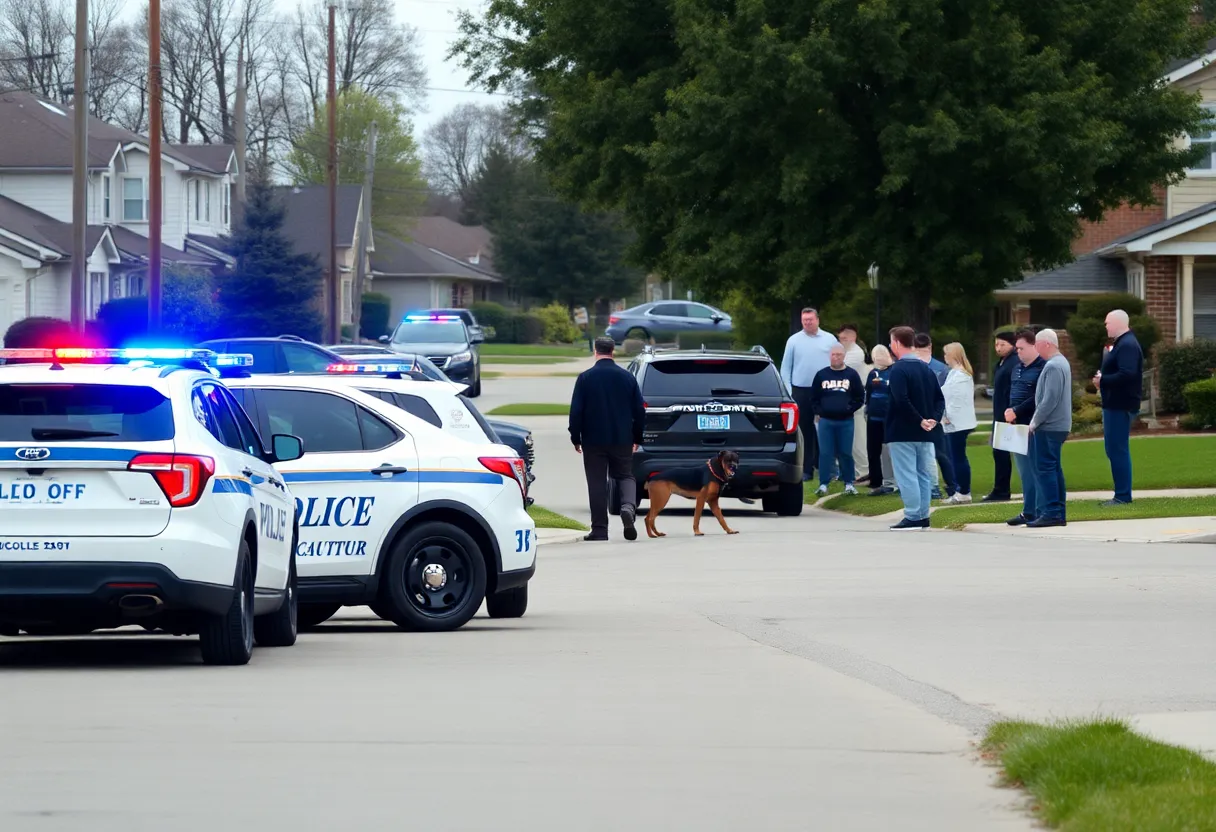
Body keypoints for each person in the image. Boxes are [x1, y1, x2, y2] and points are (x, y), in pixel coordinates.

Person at [569, 336, 647, 541]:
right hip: (622, 437)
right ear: (613, 351)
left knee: (596, 482)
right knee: (625, 475)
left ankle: (600, 529)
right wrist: (637, 436)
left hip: (593, 440)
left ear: (596, 351)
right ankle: (628, 507)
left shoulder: (585, 378)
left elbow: (576, 411)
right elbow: (639, 410)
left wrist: (575, 436)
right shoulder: (627, 377)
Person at [885, 326, 945, 530]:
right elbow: (939, 398)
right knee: (922, 473)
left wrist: (919, 419)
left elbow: (900, 399)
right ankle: (922, 514)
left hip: (903, 430)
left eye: (891, 342)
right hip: (926, 432)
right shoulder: (925, 368)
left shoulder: (898, 369)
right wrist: (933, 419)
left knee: (906, 473)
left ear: (896, 343)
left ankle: (912, 515)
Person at [780, 307, 839, 481]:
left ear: (817, 320)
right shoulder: (794, 340)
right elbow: (785, 368)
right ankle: (806, 469)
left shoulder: (829, 339)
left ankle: (827, 468)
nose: (807, 323)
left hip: (825, 389)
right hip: (801, 390)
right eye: (804, 320)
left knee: (826, 428)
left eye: (810, 320)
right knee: (804, 430)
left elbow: (836, 362)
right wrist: (789, 391)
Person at [1094, 309, 1144, 506]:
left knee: (1117, 449)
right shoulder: (1123, 344)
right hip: (1115, 404)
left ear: (1117, 323)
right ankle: (1121, 494)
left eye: (1107, 323)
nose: (1105, 326)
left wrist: (1103, 380)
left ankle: (1123, 496)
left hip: (1120, 405)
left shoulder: (1127, 345)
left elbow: (1128, 374)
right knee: (1113, 449)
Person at [1028, 329, 1072, 528]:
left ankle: (1052, 512)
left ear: (1046, 344)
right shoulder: (1061, 363)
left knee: (1045, 468)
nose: (1035, 348)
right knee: (1054, 468)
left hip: (1050, 426)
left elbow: (1050, 399)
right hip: (1058, 426)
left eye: (1037, 344)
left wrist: (1035, 421)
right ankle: (1057, 511)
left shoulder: (1054, 365)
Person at [809, 344, 865, 496]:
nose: (836, 357)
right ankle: (823, 484)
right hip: (826, 421)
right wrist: (820, 411)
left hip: (846, 421)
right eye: (834, 354)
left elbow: (860, 397)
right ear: (829, 356)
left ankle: (849, 483)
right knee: (826, 453)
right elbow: (814, 397)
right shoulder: (821, 375)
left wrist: (849, 408)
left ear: (844, 356)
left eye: (839, 354)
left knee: (845, 452)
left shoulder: (852, 375)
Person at [1004, 329, 1046, 526]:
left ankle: (1040, 510)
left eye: (1022, 348)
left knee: (1036, 469)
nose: (1018, 352)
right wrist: (1010, 411)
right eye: (1017, 348)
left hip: (1033, 424)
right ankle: (1028, 510)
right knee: (1023, 471)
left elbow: (1037, 397)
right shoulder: (1017, 368)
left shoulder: (1042, 368)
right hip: (1016, 425)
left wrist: (1017, 410)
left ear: (1033, 345)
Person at [914, 332, 956, 500]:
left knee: (941, 454)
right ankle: (930, 486)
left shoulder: (941, 369)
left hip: (936, 417)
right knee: (922, 454)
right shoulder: (914, 366)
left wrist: (940, 416)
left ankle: (952, 486)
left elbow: (946, 395)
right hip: (918, 416)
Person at [941, 343, 978, 504]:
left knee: (957, 457)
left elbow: (954, 398)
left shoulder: (961, 375)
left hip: (958, 423)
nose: (944, 358)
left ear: (953, 355)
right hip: (952, 422)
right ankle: (960, 490)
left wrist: (946, 414)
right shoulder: (954, 374)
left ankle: (964, 491)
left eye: (946, 354)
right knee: (955, 456)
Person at [983, 332, 1018, 502]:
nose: (998, 348)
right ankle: (1000, 488)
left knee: (1003, 453)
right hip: (998, 413)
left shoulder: (1014, 362)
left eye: (1002, 344)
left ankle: (1002, 490)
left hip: (1007, 414)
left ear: (1012, 344)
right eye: (996, 345)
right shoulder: (1001, 363)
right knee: (998, 453)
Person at [837, 324, 871, 483]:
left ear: (852, 337)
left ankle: (864, 469)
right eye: (840, 338)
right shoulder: (849, 352)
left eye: (844, 338)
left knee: (858, 437)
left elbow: (840, 369)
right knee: (851, 438)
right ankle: (855, 469)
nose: (841, 341)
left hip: (856, 399)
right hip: (849, 398)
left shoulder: (856, 353)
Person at [864, 345, 897, 495]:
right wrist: (867, 409)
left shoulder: (894, 372)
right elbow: (868, 393)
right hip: (873, 417)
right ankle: (875, 479)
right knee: (873, 449)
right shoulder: (873, 373)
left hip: (889, 417)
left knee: (888, 449)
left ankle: (892, 479)